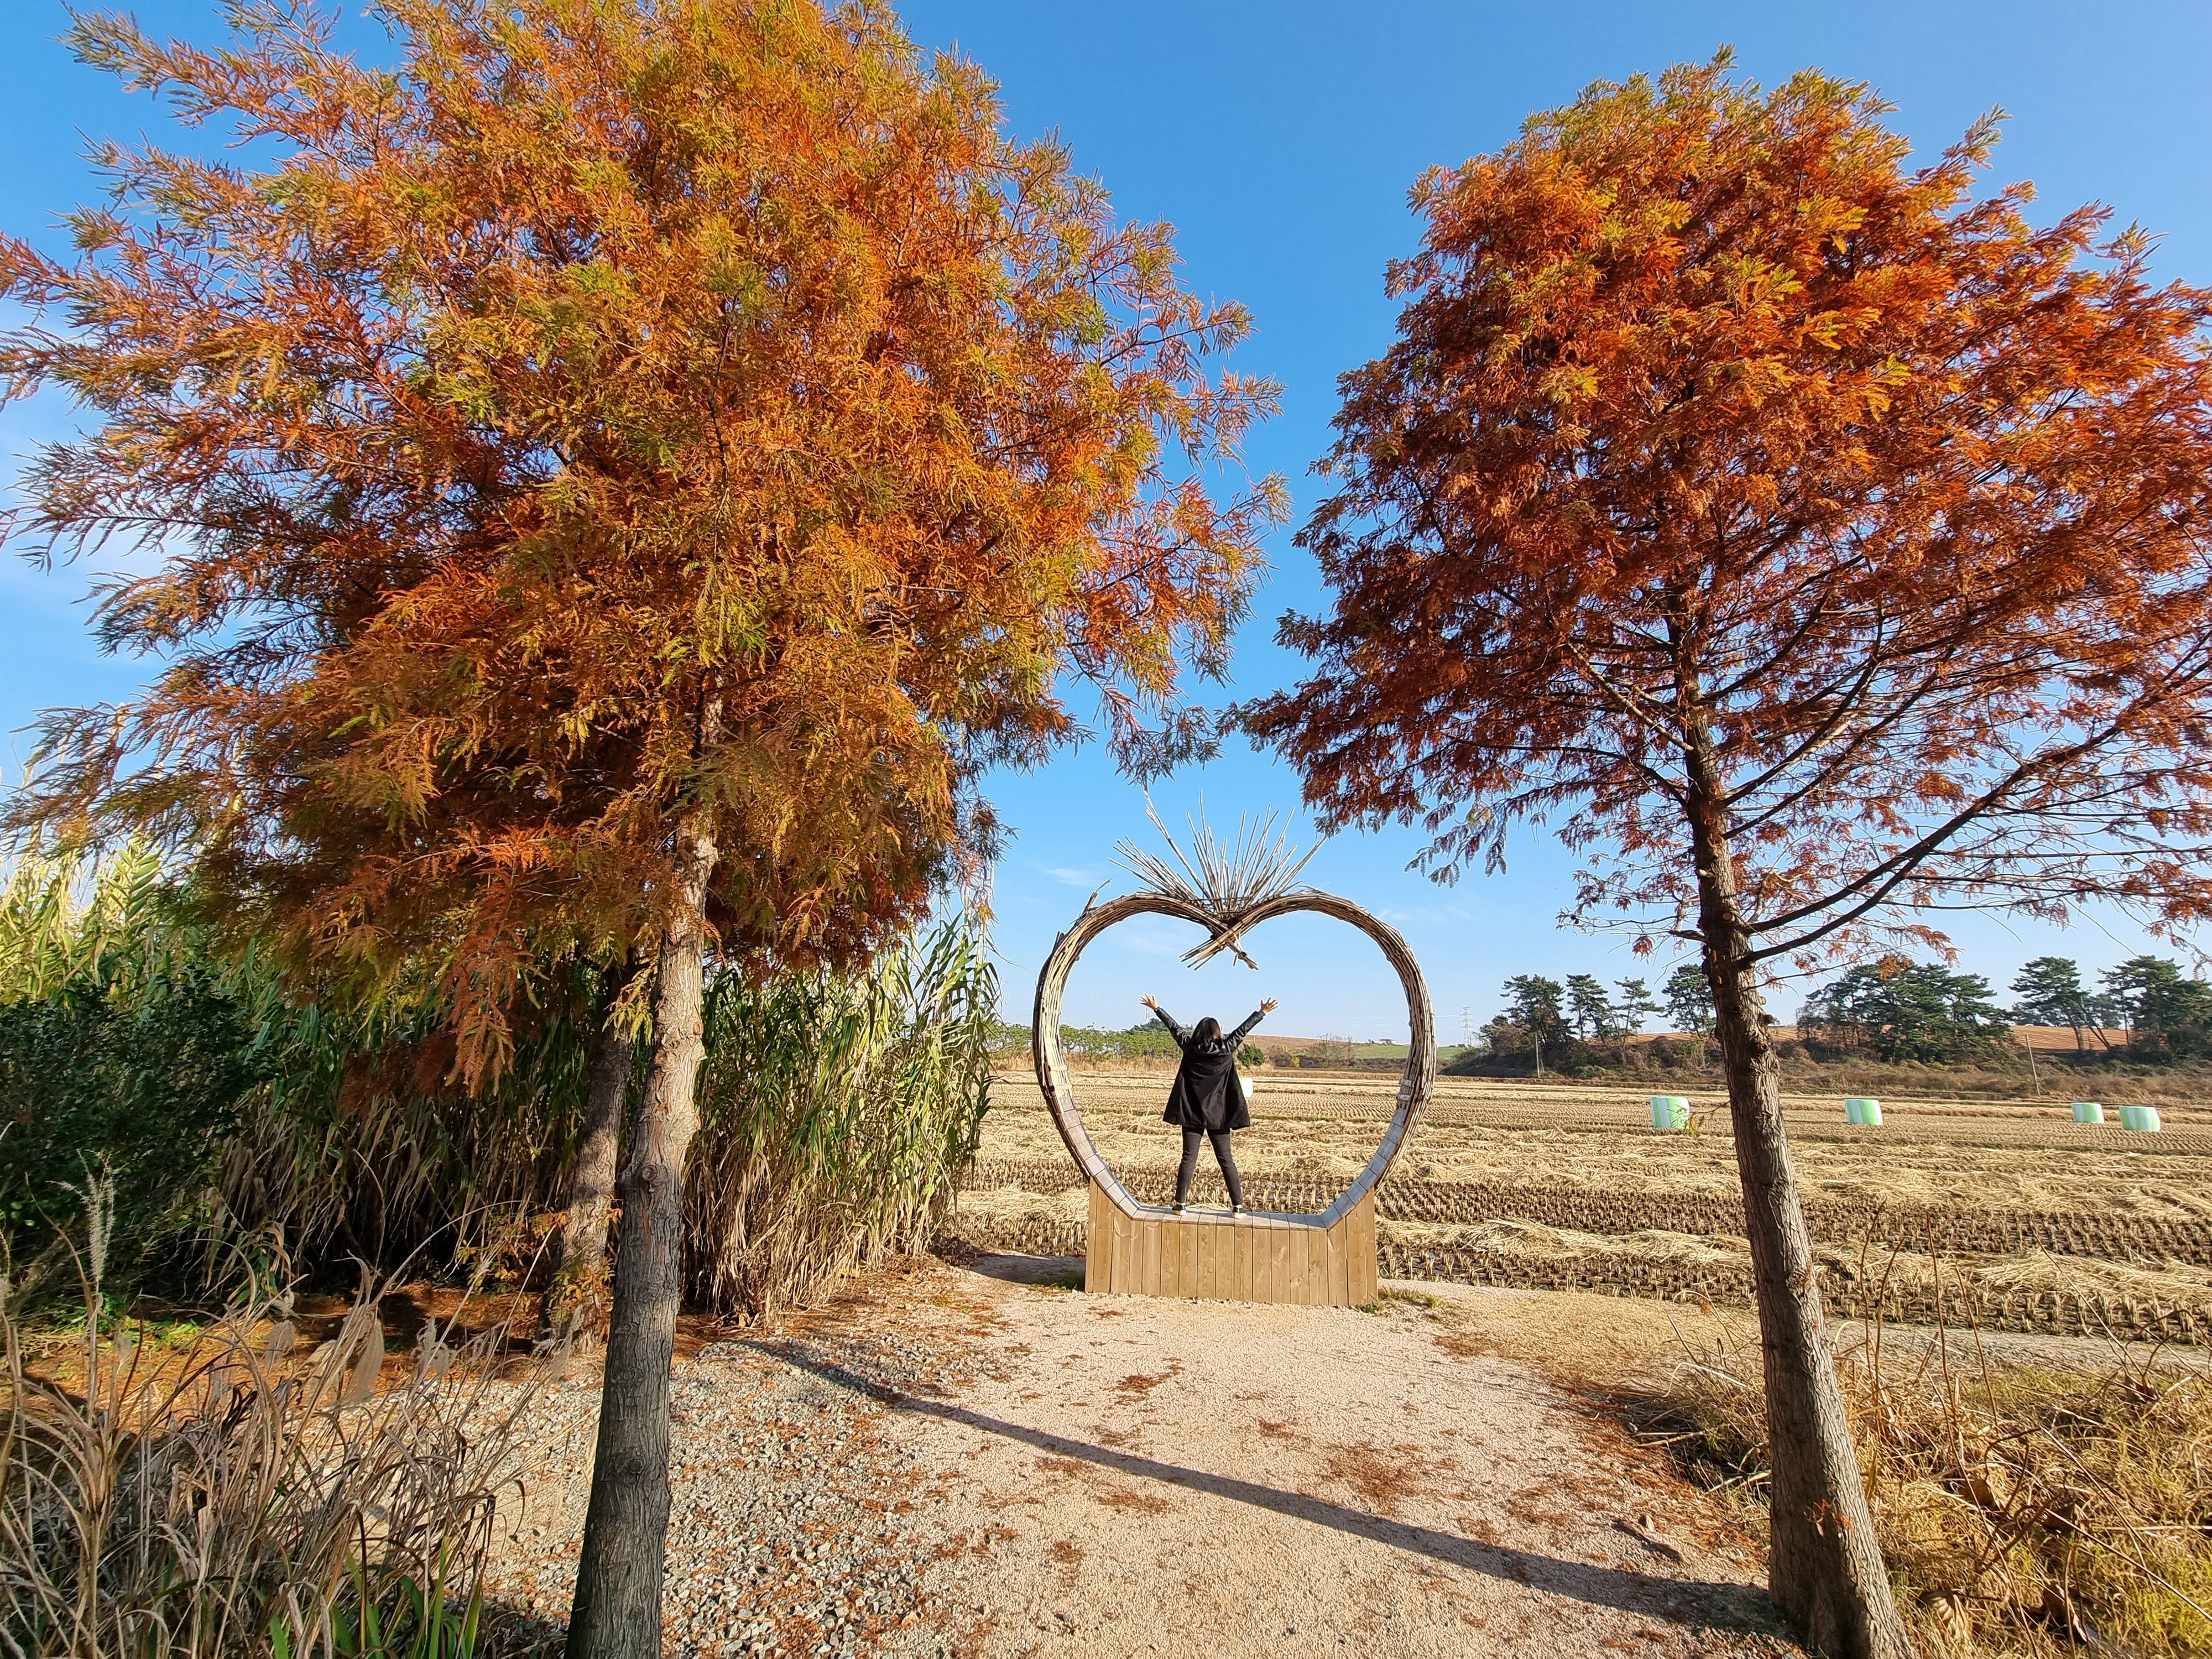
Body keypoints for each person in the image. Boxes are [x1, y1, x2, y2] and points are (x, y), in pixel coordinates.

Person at [1140, 993, 1277, 1214]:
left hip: (1192, 1114)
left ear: (1198, 1033)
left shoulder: (1190, 1048)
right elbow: (1242, 1031)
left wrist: (1157, 1009)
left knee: (1188, 1158)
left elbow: (1175, 1028)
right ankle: (1238, 1207)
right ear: (1217, 1033)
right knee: (1226, 1160)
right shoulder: (1225, 1049)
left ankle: (1180, 1204)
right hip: (1219, 1115)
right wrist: (1261, 1013)